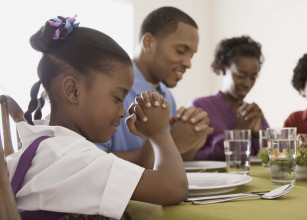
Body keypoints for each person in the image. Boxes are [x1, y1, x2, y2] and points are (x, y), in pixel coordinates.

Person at [6, 15, 187, 219]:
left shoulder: (49, 147)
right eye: (117, 98)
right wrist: (160, 133)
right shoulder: (74, 159)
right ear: (73, 90)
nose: (122, 111)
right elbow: (172, 188)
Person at [96, 6, 213, 163]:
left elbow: (172, 161)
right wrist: (172, 143)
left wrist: (193, 141)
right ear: (148, 43)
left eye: (191, 55)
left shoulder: (166, 95)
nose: (188, 63)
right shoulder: (110, 89)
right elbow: (92, 163)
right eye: (180, 51)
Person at [190, 36, 269, 161]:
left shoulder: (253, 112)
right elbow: (195, 158)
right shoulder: (200, 107)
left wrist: (258, 134)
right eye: (241, 75)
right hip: (216, 180)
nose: (247, 84)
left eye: (253, 77)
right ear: (223, 69)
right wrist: (241, 129)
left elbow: (271, 155)